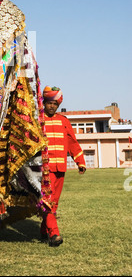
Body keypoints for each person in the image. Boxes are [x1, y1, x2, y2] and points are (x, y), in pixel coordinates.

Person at [41, 86, 86, 246]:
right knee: (48, 201)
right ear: (44, 103)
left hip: (61, 168)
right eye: (49, 103)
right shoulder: (38, 120)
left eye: (55, 103)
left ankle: (44, 230)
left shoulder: (64, 121)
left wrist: (80, 161)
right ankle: (54, 235)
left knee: (54, 202)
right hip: (44, 170)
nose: (52, 106)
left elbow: (72, 142)